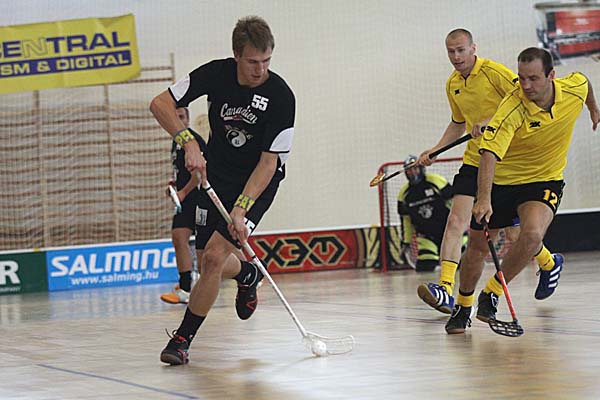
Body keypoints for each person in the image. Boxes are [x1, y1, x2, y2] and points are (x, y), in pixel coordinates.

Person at [149, 16, 296, 365]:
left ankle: (182, 340)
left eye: (266, 61)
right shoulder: (215, 74)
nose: (260, 70)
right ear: (236, 55)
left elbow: (268, 163)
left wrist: (241, 209)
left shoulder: (281, 96)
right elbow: (160, 103)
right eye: (252, 62)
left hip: (258, 181)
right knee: (208, 259)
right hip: (216, 175)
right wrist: (188, 142)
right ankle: (247, 273)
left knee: (214, 258)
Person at [446, 47, 599, 334]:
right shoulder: (512, 108)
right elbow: (488, 153)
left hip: (544, 180)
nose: (525, 86)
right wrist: (484, 198)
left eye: (533, 78)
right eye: (521, 78)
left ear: (551, 76)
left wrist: (593, 108)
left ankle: (491, 293)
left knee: (531, 235)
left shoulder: (572, 89)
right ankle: (463, 306)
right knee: (477, 248)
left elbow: (585, 82)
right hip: (502, 181)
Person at [416, 29, 556, 315]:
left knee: (515, 235)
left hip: (504, 161)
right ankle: (445, 288)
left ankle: (549, 262)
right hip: (473, 159)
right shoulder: (453, 84)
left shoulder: (494, 73)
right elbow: (458, 123)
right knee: (456, 220)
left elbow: (526, 100)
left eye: (461, 50)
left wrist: (492, 120)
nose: (456, 56)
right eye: (451, 51)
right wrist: (436, 149)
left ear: (473, 48)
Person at [160, 107, 207, 304]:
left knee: (212, 246)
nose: (177, 120)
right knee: (179, 237)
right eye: (175, 117)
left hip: (198, 197)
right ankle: (186, 286)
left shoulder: (192, 141)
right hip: (186, 198)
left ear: (187, 119)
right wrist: (174, 185)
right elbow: (182, 170)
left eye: (181, 117)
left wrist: (183, 193)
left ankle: (250, 271)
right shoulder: (176, 141)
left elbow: (200, 174)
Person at [397, 155, 467, 272]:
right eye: (409, 170)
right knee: (425, 267)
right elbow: (406, 221)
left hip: (450, 232)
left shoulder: (435, 181)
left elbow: (455, 202)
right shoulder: (404, 194)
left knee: (462, 263)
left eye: (415, 168)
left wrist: (462, 224)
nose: (413, 172)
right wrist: (406, 243)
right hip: (427, 237)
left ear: (421, 169)